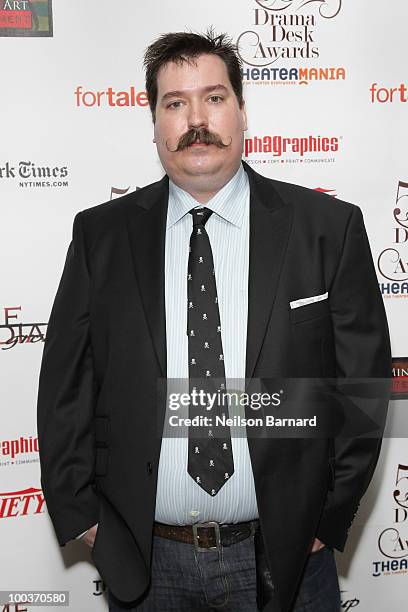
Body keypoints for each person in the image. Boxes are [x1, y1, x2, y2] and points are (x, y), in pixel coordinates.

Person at [37, 29, 391, 612]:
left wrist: (327, 518)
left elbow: (361, 388)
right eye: (175, 104)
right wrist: (85, 517)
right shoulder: (101, 235)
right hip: (148, 565)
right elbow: (65, 388)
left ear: (243, 110)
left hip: (288, 560)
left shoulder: (328, 227)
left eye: (214, 98)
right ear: (154, 122)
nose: (195, 119)